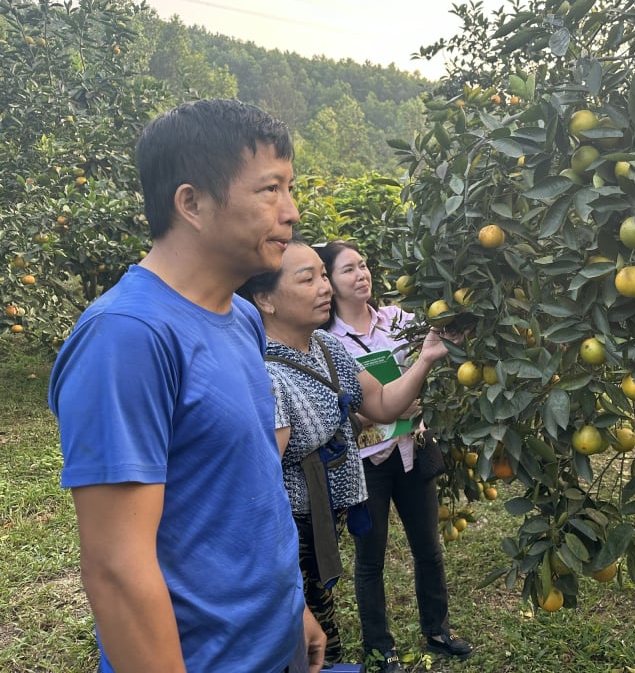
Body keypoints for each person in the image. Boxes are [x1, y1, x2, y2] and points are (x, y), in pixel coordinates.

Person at [48, 99, 326, 673]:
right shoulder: (126, 337)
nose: (292, 212)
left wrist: (291, 607)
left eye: (290, 189)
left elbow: (249, 483)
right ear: (192, 202)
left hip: (276, 642)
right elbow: (117, 570)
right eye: (270, 189)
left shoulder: (243, 318)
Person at [239, 240, 453, 668]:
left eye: (323, 275)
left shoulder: (323, 346)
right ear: (264, 299)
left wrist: (426, 359)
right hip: (288, 531)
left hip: (320, 523)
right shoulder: (265, 374)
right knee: (306, 643)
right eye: (309, 278)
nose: (324, 287)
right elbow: (257, 492)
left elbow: (383, 403)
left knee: (324, 630)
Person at [317, 240, 474, 673]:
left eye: (364, 265)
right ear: (330, 281)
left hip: (413, 449)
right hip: (369, 462)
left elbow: (435, 352)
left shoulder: (397, 320)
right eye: (348, 269)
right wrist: (379, 410)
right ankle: (379, 648)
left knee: (429, 547)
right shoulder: (327, 342)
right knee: (371, 559)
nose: (361, 274)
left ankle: (438, 631)